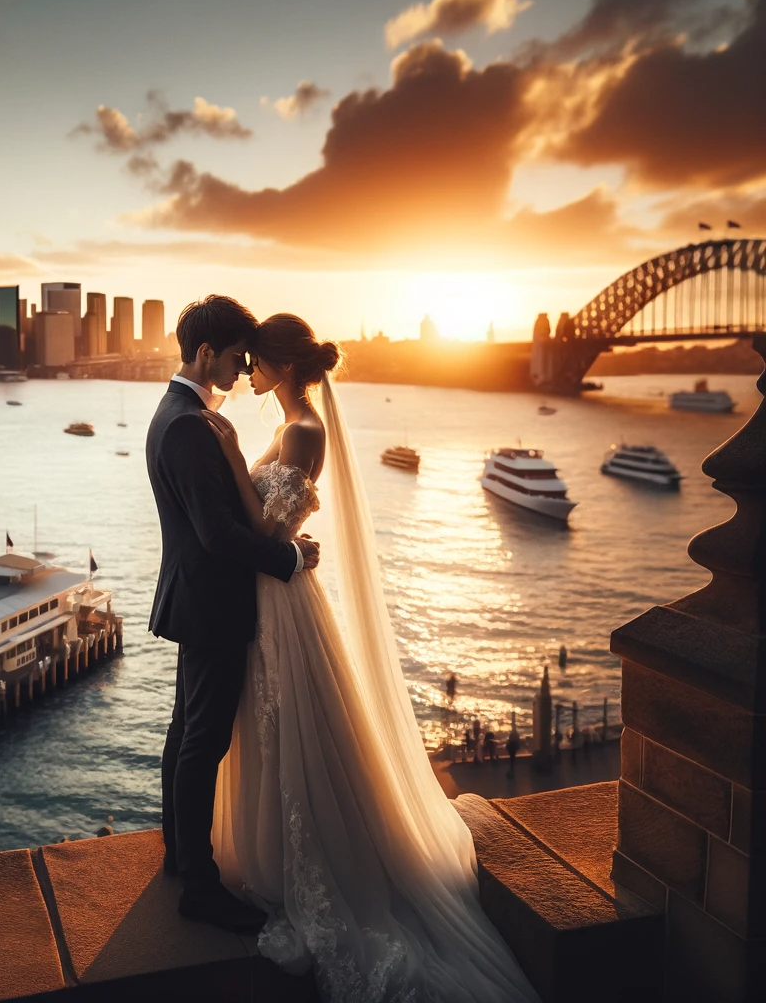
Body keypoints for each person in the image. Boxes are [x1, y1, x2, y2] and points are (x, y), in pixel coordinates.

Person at [204, 313, 539, 1002]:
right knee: (277, 729)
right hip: (278, 592)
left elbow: (268, 529)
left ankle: (306, 866)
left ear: (286, 366)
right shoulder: (290, 426)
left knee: (290, 728)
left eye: (258, 361)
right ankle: (271, 851)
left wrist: (232, 461)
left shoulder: (301, 432)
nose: (248, 372)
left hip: (282, 601)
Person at [146, 296, 320, 936]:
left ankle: (178, 856)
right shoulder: (190, 425)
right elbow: (219, 536)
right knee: (202, 741)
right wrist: (289, 559)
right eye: (235, 356)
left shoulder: (177, 413)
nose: (243, 366)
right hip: (213, 600)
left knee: (184, 731)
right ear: (204, 355)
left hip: (193, 596)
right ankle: (197, 883)